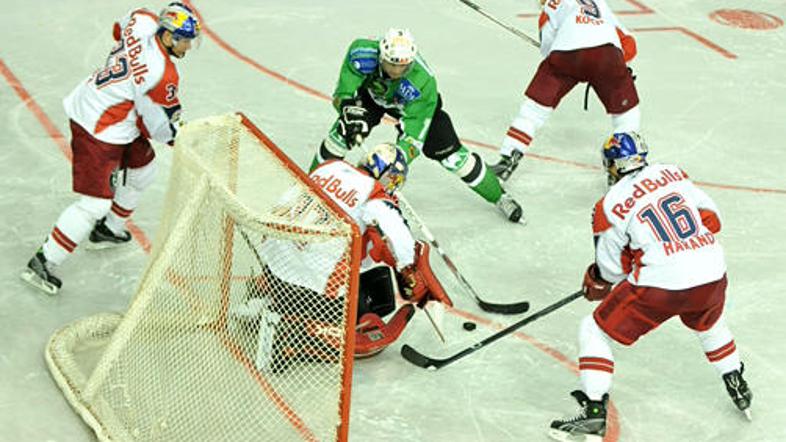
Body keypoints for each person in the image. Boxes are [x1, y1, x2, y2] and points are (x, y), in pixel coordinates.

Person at [548, 133, 752, 442]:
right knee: (707, 320)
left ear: (611, 166)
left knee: (594, 330)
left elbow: (610, 270)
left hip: (661, 284)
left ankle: (593, 414)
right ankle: (735, 380)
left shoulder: (609, 204)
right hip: (712, 272)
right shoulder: (671, 172)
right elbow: (713, 219)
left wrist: (599, 277)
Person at [21, 3, 201, 295]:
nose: (189, 46)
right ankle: (44, 261)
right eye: (184, 39)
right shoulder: (161, 74)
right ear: (167, 37)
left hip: (107, 107)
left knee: (143, 170)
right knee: (94, 204)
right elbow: (158, 126)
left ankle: (109, 229)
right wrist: (181, 138)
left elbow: (120, 27)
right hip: (100, 127)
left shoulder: (143, 20)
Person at [237, 143, 452, 369]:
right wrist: (409, 269)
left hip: (274, 267)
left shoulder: (329, 167)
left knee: (365, 268)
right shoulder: (375, 197)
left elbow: (283, 204)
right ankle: (299, 337)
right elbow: (402, 244)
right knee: (374, 293)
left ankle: (268, 297)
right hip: (313, 289)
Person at [310, 28, 523, 223]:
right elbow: (342, 94)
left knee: (455, 158)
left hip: (415, 110)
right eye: (392, 63)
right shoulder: (361, 53)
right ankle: (310, 191)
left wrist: (394, 160)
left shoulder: (422, 82)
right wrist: (347, 110)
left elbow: (413, 139)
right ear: (381, 56)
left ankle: (499, 196)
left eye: (403, 65)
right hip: (372, 98)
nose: (397, 70)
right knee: (341, 134)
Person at [492, 0, 640, 184]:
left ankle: (507, 160)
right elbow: (629, 44)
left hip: (567, 54)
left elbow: (547, 48)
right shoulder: (599, 2)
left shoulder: (552, 4)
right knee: (626, 112)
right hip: (608, 55)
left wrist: (565, 52)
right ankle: (627, 167)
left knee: (534, 110)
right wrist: (616, 66)